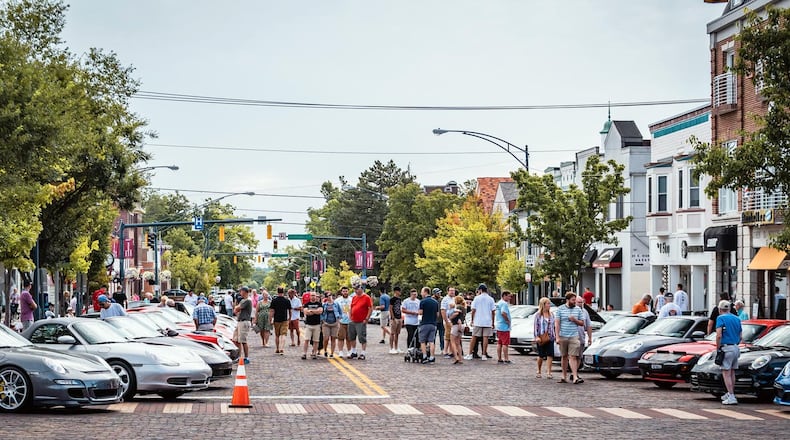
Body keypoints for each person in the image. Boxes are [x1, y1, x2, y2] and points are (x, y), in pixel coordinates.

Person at [716, 300, 743, 405]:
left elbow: (719, 335)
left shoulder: (720, 318)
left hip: (726, 347)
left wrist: (718, 348)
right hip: (735, 347)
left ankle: (731, 395)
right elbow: (740, 336)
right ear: (729, 308)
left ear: (719, 309)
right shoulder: (737, 319)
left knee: (726, 373)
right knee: (732, 372)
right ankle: (730, 393)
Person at [555, 292, 585, 384]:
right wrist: (557, 337)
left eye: (575, 300)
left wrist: (574, 320)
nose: (574, 302)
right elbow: (557, 323)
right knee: (564, 356)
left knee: (573, 356)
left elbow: (582, 323)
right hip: (563, 335)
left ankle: (575, 376)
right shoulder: (560, 309)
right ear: (567, 300)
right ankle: (563, 376)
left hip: (574, 335)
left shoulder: (578, 310)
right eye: (573, 300)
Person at [464, 283, 495, 361]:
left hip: (478, 320)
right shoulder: (491, 299)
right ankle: (484, 354)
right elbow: (493, 311)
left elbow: (473, 310)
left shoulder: (477, 298)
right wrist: (493, 322)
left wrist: (472, 320)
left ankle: (470, 353)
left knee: (474, 337)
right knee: (485, 338)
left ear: (480, 290)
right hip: (487, 321)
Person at [348, 282, 373, 360]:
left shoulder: (366, 297)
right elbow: (351, 307)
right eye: (355, 289)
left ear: (361, 289)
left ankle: (363, 352)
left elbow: (370, 308)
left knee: (361, 337)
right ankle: (354, 351)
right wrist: (350, 315)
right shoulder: (354, 297)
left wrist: (367, 318)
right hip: (353, 320)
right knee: (351, 336)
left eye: (357, 289)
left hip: (361, 321)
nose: (356, 291)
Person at [416, 287, 439, 364]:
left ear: (425, 292)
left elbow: (420, 312)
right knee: (431, 341)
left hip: (425, 323)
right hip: (433, 324)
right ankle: (432, 357)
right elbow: (437, 314)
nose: (421, 294)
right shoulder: (435, 302)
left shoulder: (423, 301)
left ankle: (424, 356)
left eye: (422, 292)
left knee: (422, 341)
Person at [534, 297, 555, 379]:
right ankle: (539, 370)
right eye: (548, 303)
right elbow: (536, 326)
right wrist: (537, 336)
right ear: (543, 305)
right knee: (541, 355)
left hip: (550, 337)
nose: (549, 305)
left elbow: (554, 326)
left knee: (550, 354)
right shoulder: (538, 315)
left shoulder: (552, 314)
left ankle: (549, 371)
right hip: (541, 337)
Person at [233, 286, 253, 364]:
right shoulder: (242, 300)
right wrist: (236, 308)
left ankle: (246, 357)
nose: (240, 293)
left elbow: (237, 308)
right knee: (236, 340)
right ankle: (239, 356)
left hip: (244, 322)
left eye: (241, 291)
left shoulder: (247, 300)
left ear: (244, 292)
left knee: (243, 340)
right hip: (240, 321)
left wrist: (237, 308)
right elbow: (236, 310)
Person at [269, 287, 291, 355]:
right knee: (283, 334)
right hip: (284, 319)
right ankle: (282, 348)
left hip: (276, 319)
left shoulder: (274, 300)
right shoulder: (286, 300)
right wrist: (290, 317)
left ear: (277, 292)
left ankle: (277, 348)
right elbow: (290, 310)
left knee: (277, 335)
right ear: (283, 292)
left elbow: (272, 311)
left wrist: (270, 319)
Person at [575, 295, 592, 381]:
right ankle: (572, 373)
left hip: (581, 337)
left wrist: (590, 337)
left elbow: (588, 326)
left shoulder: (585, 312)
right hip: (572, 337)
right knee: (572, 356)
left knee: (579, 357)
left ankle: (575, 373)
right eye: (579, 302)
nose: (581, 304)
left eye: (582, 302)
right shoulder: (571, 311)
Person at [301, 292, 323, 359]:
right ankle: (304, 353)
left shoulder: (319, 304)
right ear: (310, 296)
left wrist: (311, 311)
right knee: (306, 339)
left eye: (314, 295)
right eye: (312, 295)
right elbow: (306, 312)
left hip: (317, 324)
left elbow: (320, 311)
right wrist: (315, 311)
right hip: (308, 324)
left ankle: (314, 353)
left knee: (316, 340)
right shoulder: (307, 304)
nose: (313, 297)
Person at [321, 292, 342, 358]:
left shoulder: (336, 304)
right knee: (326, 338)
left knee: (333, 338)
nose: (329, 297)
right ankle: (325, 350)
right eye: (328, 296)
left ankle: (332, 353)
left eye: (330, 295)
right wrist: (323, 321)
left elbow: (340, 312)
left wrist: (338, 320)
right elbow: (321, 314)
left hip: (334, 323)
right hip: (326, 323)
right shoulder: (324, 305)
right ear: (326, 297)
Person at [495, 290, 512, 364]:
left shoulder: (499, 303)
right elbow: (503, 313)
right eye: (509, 296)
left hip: (499, 325)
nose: (510, 298)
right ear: (504, 296)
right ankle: (506, 358)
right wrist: (507, 320)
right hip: (504, 326)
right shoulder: (504, 304)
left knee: (499, 343)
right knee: (505, 343)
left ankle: (499, 358)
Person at [335, 286, 352, 358]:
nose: (345, 292)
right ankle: (341, 351)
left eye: (346, 291)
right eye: (343, 291)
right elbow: (335, 310)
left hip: (350, 321)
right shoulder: (337, 300)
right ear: (341, 292)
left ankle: (349, 351)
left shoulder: (352, 299)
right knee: (341, 337)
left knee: (349, 338)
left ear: (348, 291)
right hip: (341, 321)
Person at [440, 286, 457, 357]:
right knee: (447, 336)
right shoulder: (445, 299)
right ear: (448, 291)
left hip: (453, 320)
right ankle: (445, 351)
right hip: (448, 320)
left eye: (453, 290)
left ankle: (451, 351)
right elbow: (443, 310)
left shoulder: (454, 299)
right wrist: (446, 321)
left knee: (452, 336)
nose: (452, 292)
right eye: (451, 290)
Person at [449, 295, 466, 364]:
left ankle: (456, 357)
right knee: (458, 343)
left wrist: (450, 317)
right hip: (462, 325)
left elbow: (456, 314)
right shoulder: (464, 308)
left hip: (456, 325)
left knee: (452, 341)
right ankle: (460, 358)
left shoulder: (458, 307)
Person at [389, 287, 403, 354]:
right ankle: (391, 348)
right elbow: (390, 308)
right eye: (399, 291)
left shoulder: (399, 299)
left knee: (397, 333)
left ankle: (396, 347)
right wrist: (393, 317)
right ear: (396, 291)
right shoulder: (392, 299)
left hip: (399, 317)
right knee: (392, 333)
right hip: (394, 318)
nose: (400, 292)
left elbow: (400, 308)